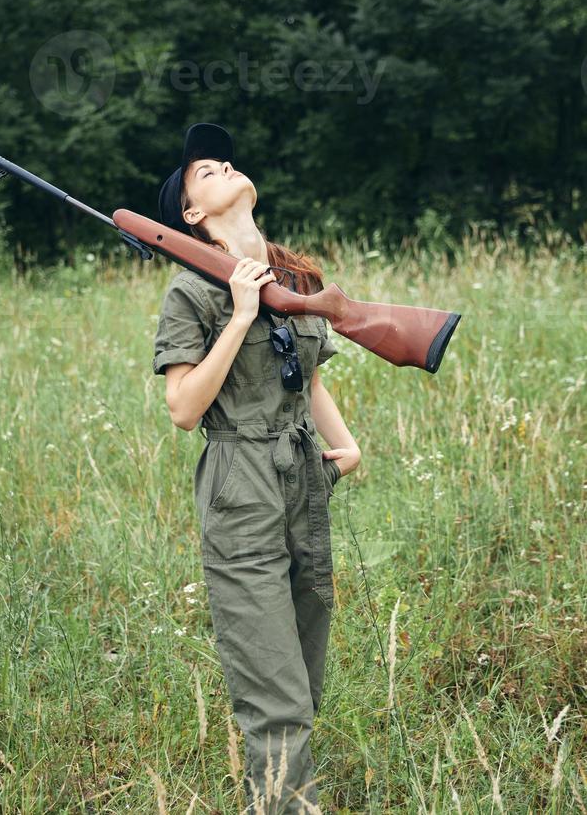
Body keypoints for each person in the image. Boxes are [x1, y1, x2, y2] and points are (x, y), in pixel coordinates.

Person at [152, 123, 361, 813]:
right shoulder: (193, 292)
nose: (225, 167)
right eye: (205, 171)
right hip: (240, 479)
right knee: (273, 693)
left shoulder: (295, 277)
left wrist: (346, 443)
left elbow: (312, 379)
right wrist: (239, 315)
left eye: (226, 160)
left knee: (303, 672)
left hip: (304, 474)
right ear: (191, 215)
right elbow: (183, 408)